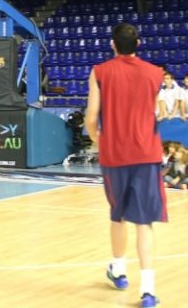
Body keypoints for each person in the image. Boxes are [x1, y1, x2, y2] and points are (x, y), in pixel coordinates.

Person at [84, 23, 166, 308]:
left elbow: (91, 117)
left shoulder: (100, 72)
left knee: (117, 215)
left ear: (113, 44)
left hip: (115, 155)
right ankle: (148, 290)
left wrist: (99, 139)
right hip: (146, 154)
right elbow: (156, 112)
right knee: (144, 222)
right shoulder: (155, 73)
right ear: (138, 44)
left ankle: (119, 270)